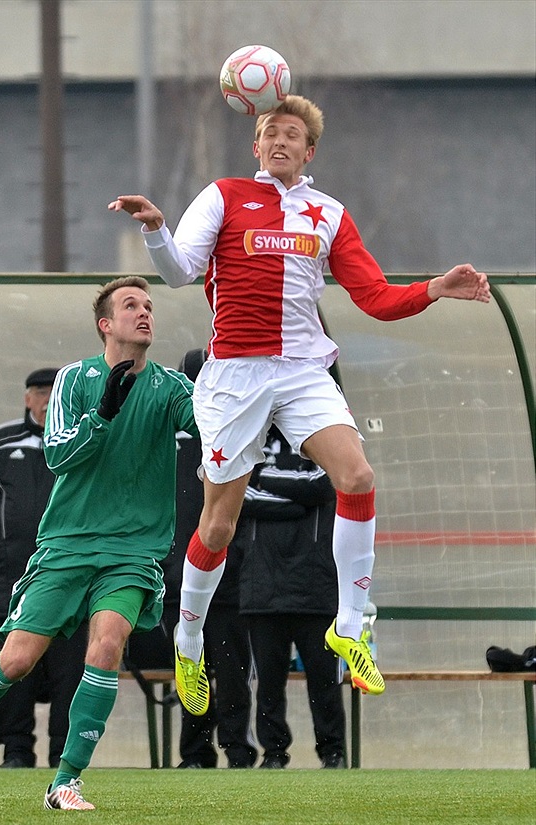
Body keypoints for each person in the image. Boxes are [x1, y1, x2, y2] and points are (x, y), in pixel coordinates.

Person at [109, 93, 491, 714]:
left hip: (304, 370)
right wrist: (156, 228)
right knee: (219, 524)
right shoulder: (225, 195)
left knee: (358, 475)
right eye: (269, 133)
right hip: (235, 375)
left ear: (309, 151)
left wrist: (435, 290)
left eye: (291, 134)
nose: (279, 141)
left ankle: (349, 620)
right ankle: (187, 637)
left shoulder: (328, 213)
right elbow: (179, 273)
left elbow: (375, 298)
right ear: (255, 146)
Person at [0, 275, 199, 810]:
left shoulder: (171, 387)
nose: (145, 312)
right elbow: (58, 455)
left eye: (149, 305)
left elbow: (215, 430)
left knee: (106, 646)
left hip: (132, 552)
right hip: (68, 545)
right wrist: (103, 413)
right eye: (131, 305)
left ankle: (65, 782)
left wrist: (223, 384)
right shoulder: (74, 381)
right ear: (106, 324)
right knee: (16, 660)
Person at [126, 348, 256, 769]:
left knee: (229, 670)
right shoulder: (163, 433)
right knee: (192, 664)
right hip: (177, 575)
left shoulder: (235, 430)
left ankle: (235, 750)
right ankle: (199, 752)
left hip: (226, 574)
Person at [0, 367, 87, 769]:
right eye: (40, 392)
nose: (48, 399)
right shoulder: (2, 441)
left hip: (70, 574)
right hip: (12, 575)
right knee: (13, 664)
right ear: (27, 399)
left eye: (55, 392)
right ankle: (16, 750)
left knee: (69, 669)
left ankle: (63, 754)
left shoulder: (79, 439)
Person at [239, 427, 346, 770]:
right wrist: (296, 504)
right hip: (262, 587)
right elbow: (243, 496)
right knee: (269, 683)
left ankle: (332, 753)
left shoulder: (320, 441)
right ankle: (273, 753)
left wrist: (263, 478)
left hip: (315, 586)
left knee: (324, 680)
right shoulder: (250, 443)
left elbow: (322, 485)